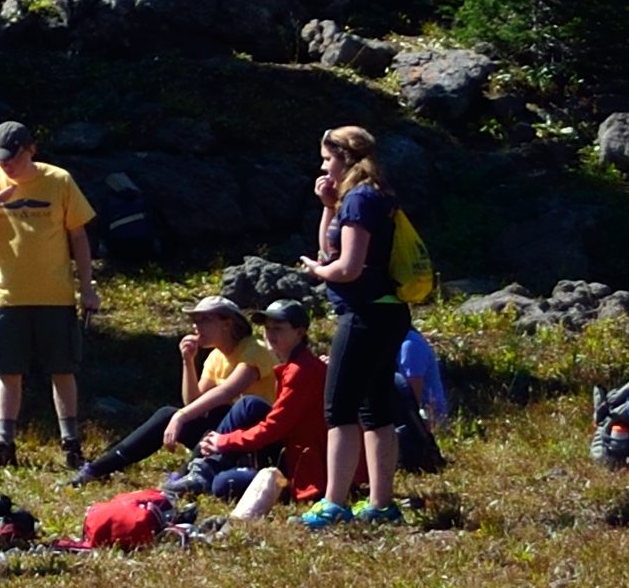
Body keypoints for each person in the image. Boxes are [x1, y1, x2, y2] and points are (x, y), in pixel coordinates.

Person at [0, 118, 99, 463]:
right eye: (0, 159)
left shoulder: (58, 180)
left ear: (30, 149)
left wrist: (87, 288)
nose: (5, 165)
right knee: (8, 370)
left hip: (56, 295)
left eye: (12, 158)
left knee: (63, 369)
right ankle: (5, 444)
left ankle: (71, 443)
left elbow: (78, 235)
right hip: (7, 295)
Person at [306, 124, 413, 525]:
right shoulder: (376, 196)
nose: (323, 166)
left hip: (364, 314)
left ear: (345, 158)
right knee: (377, 408)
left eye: (328, 159)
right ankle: (382, 504)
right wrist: (328, 206)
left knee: (339, 409)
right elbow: (330, 247)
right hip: (389, 312)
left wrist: (319, 271)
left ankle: (334, 503)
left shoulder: (360, 201)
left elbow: (346, 267)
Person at [76, 293, 266, 480]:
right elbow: (193, 402)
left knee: (218, 412)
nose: (196, 326)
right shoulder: (216, 356)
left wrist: (181, 416)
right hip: (223, 438)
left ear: (227, 324)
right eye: (195, 320)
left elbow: (227, 392)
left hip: (258, 441)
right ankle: (98, 468)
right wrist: (188, 362)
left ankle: (186, 476)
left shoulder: (254, 350)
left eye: (204, 320)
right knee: (168, 414)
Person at [180, 300, 329, 516]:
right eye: (267, 328)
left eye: (278, 328)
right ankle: (198, 471)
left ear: (300, 332)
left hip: (303, 468)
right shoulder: (294, 366)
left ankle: (202, 471)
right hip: (288, 453)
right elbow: (193, 399)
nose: (270, 334)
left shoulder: (301, 371)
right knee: (223, 480)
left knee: (223, 484)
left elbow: (275, 428)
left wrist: (224, 441)